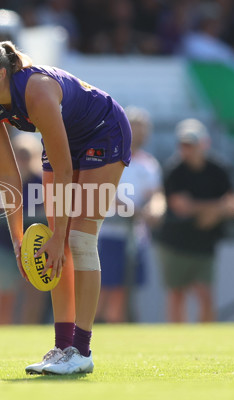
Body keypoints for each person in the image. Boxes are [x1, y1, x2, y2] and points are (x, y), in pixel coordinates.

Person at [0, 39, 132, 374]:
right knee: (56, 245)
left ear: (1, 71)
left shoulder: (36, 91)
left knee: (78, 240)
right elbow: (9, 176)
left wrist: (59, 235)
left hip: (105, 132)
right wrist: (17, 238)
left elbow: (65, 169)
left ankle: (81, 352)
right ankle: (62, 347)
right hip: (64, 141)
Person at [156, 118, 234, 323]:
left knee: (205, 294)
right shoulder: (174, 170)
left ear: (204, 144)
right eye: (183, 144)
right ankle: (177, 344)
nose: (187, 149)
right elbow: (180, 206)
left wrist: (204, 208)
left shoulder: (219, 169)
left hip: (205, 242)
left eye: (191, 144)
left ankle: (206, 343)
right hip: (175, 242)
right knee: (177, 294)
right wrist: (215, 208)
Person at [96, 106, 162, 323]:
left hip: (135, 236)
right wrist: (130, 209)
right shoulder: (109, 156)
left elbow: (156, 196)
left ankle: (114, 343)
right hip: (108, 234)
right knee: (101, 291)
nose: (139, 134)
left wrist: (155, 209)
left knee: (123, 293)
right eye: (134, 128)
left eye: (143, 129)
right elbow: (104, 189)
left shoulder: (149, 163)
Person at [0, 133, 47, 325]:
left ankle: (30, 339)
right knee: (4, 296)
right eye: (18, 154)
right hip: (3, 245)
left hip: (35, 246)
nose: (22, 158)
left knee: (35, 295)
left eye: (26, 154)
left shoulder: (42, 180)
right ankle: (0, 342)